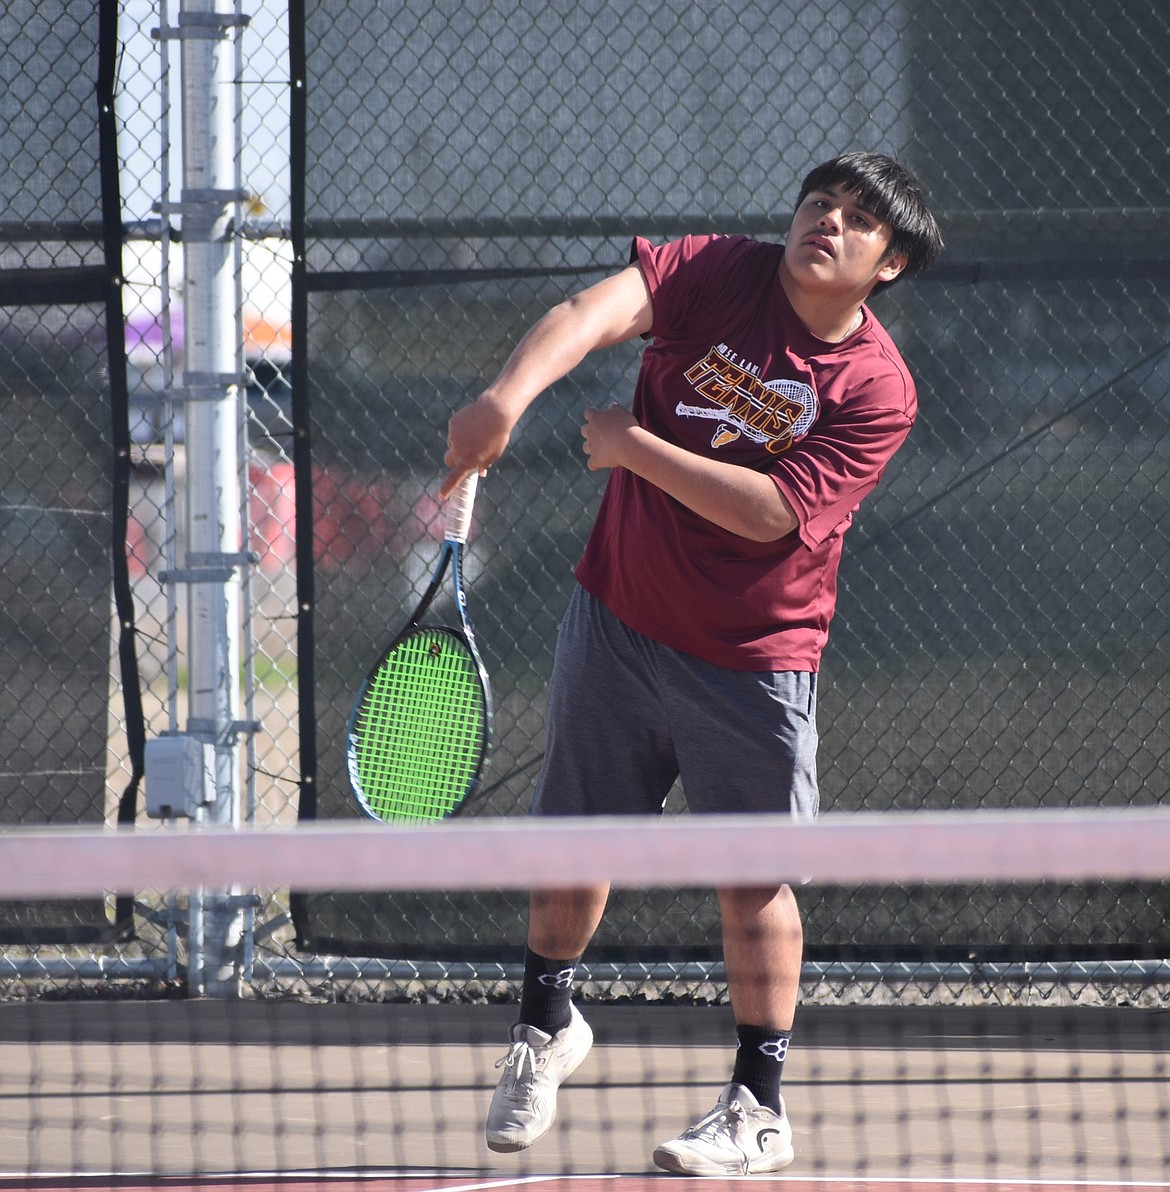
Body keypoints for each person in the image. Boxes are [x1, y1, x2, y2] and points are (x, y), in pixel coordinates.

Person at [441, 151, 943, 1176]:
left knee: (750, 877)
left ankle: (758, 1106)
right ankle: (545, 1029)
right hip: (618, 615)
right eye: (819, 203)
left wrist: (633, 446)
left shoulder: (878, 390)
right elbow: (590, 311)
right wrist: (506, 397)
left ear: (888, 264)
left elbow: (769, 516)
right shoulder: (720, 270)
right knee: (573, 840)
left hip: (751, 654)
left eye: (857, 220)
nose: (828, 223)